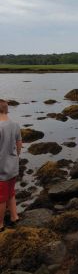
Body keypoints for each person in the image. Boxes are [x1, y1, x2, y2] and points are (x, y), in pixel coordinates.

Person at [0, 99, 22, 232]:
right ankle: (15, 217)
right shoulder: (15, 124)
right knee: (11, 193)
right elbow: (19, 143)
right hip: (12, 166)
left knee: (1, 198)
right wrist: (16, 157)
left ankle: (0, 225)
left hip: (1, 169)